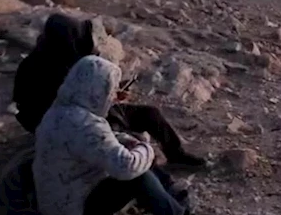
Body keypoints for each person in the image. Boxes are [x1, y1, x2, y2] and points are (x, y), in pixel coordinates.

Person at [33, 55, 213, 215]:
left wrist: (127, 142)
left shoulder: (61, 110)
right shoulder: (86, 124)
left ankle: (165, 193)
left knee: (134, 155)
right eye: (110, 90)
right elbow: (125, 166)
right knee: (137, 175)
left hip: (56, 201)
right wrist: (146, 149)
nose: (112, 96)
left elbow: (93, 141)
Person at [13, 13, 207, 168]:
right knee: (124, 138)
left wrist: (110, 96)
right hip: (61, 123)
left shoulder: (60, 57)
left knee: (150, 114)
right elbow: (71, 107)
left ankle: (176, 154)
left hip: (81, 113)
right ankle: (147, 178)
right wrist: (107, 101)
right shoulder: (43, 68)